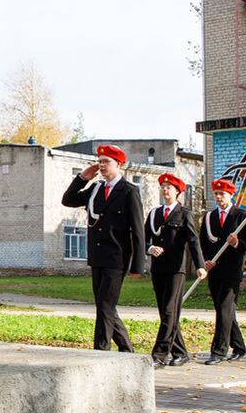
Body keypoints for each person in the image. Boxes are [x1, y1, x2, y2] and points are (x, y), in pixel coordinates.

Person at [61, 145, 146, 351]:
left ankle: (101, 352)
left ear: (119, 164)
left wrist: (137, 266)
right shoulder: (96, 188)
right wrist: (82, 178)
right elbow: (68, 200)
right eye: (99, 161)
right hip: (97, 256)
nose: (101, 165)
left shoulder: (129, 191)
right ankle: (127, 350)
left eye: (106, 161)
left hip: (117, 258)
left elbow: (137, 230)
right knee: (104, 306)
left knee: (105, 306)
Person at [145, 173, 206, 368]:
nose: (165, 190)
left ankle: (160, 354)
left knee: (170, 311)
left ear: (177, 192)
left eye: (169, 187)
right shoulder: (154, 213)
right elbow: (144, 237)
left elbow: (193, 240)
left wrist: (200, 265)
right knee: (166, 313)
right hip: (158, 269)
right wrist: (149, 248)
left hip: (175, 269)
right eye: (162, 186)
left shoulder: (184, 213)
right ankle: (180, 352)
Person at [199, 178, 246, 365]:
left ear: (231, 195)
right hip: (214, 270)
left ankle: (219, 352)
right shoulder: (209, 217)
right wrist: (205, 261)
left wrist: (237, 243)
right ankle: (239, 347)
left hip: (232, 271)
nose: (219, 197)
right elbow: (203, 243)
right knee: (224, 310)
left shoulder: (241, 216)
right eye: (216, 194)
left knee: (223, 309)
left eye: (222, 193)